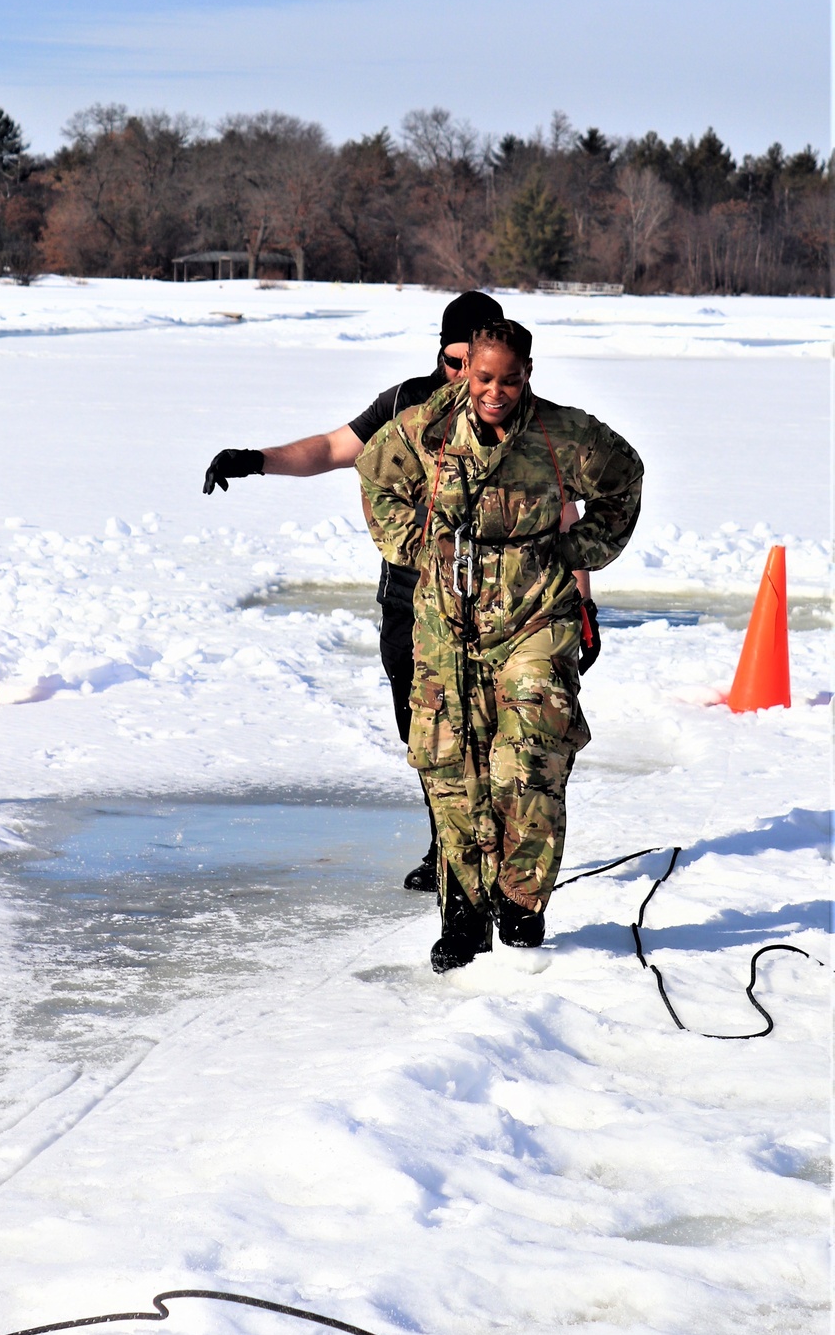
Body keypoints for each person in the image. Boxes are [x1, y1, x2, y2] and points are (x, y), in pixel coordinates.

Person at [202, 293, 601, 893]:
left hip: (505, 605)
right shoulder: (408, 406)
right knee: (428, 733)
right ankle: (448, 846)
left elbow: (565, 514)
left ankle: (497, 864)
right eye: (454, 361)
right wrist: (257, 460)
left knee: (500, 733)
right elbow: (337, 450)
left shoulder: (522, 419)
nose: (470, 378)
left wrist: (582, 601)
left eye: (481, 364)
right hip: (414, 599)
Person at [355, 317, 643, 971]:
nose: (494, 391)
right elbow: (375, 474)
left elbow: (624, 477)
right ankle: (462, 910)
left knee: (532, 749)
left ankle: (520, 898)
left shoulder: (562, 434)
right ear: (468, 371)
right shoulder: (427, 428)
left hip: (534, 610)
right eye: (483, 377)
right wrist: (415, 548)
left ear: (527, 375)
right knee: (452, 763)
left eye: (508, 380)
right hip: (447, 615)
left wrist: (579, 550)